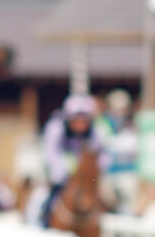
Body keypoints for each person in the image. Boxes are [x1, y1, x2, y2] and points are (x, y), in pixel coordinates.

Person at [40, 93, 110, 227]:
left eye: (84, 120)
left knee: (108, 196)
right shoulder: (56, 128)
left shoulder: (97, 130)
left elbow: (104, 153)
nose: (80, 124)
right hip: (62, 173)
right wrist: (62, 169)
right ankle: (43, 217)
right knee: (46, 195)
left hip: (89, 176)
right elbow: (50, 152)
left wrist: (97, 169)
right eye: (77, 120)